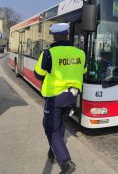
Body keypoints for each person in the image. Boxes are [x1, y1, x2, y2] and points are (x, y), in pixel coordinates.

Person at [34, 23, 87, 174]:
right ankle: (53, 152)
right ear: (67, 35)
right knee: (59, 125)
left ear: (55, 36)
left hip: (55, 97)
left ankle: (65, 163)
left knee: (50, 128)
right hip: (72, 97)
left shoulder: (49, 53)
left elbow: (38, 74)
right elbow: (83, 71)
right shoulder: (80, 53)